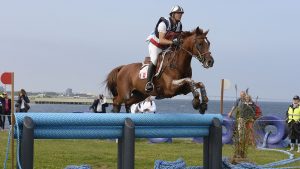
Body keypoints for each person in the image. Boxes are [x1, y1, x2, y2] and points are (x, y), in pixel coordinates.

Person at [145, 5, 184, 93]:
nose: (180, 15)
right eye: (178, 13)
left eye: (181, 14)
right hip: (155, 44)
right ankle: (149, 83)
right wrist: (173, 42)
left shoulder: (179, 25)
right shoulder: (164, 23)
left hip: (166, 45)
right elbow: (161, 40)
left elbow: (178, 37)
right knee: (155, 60)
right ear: (173, 14)